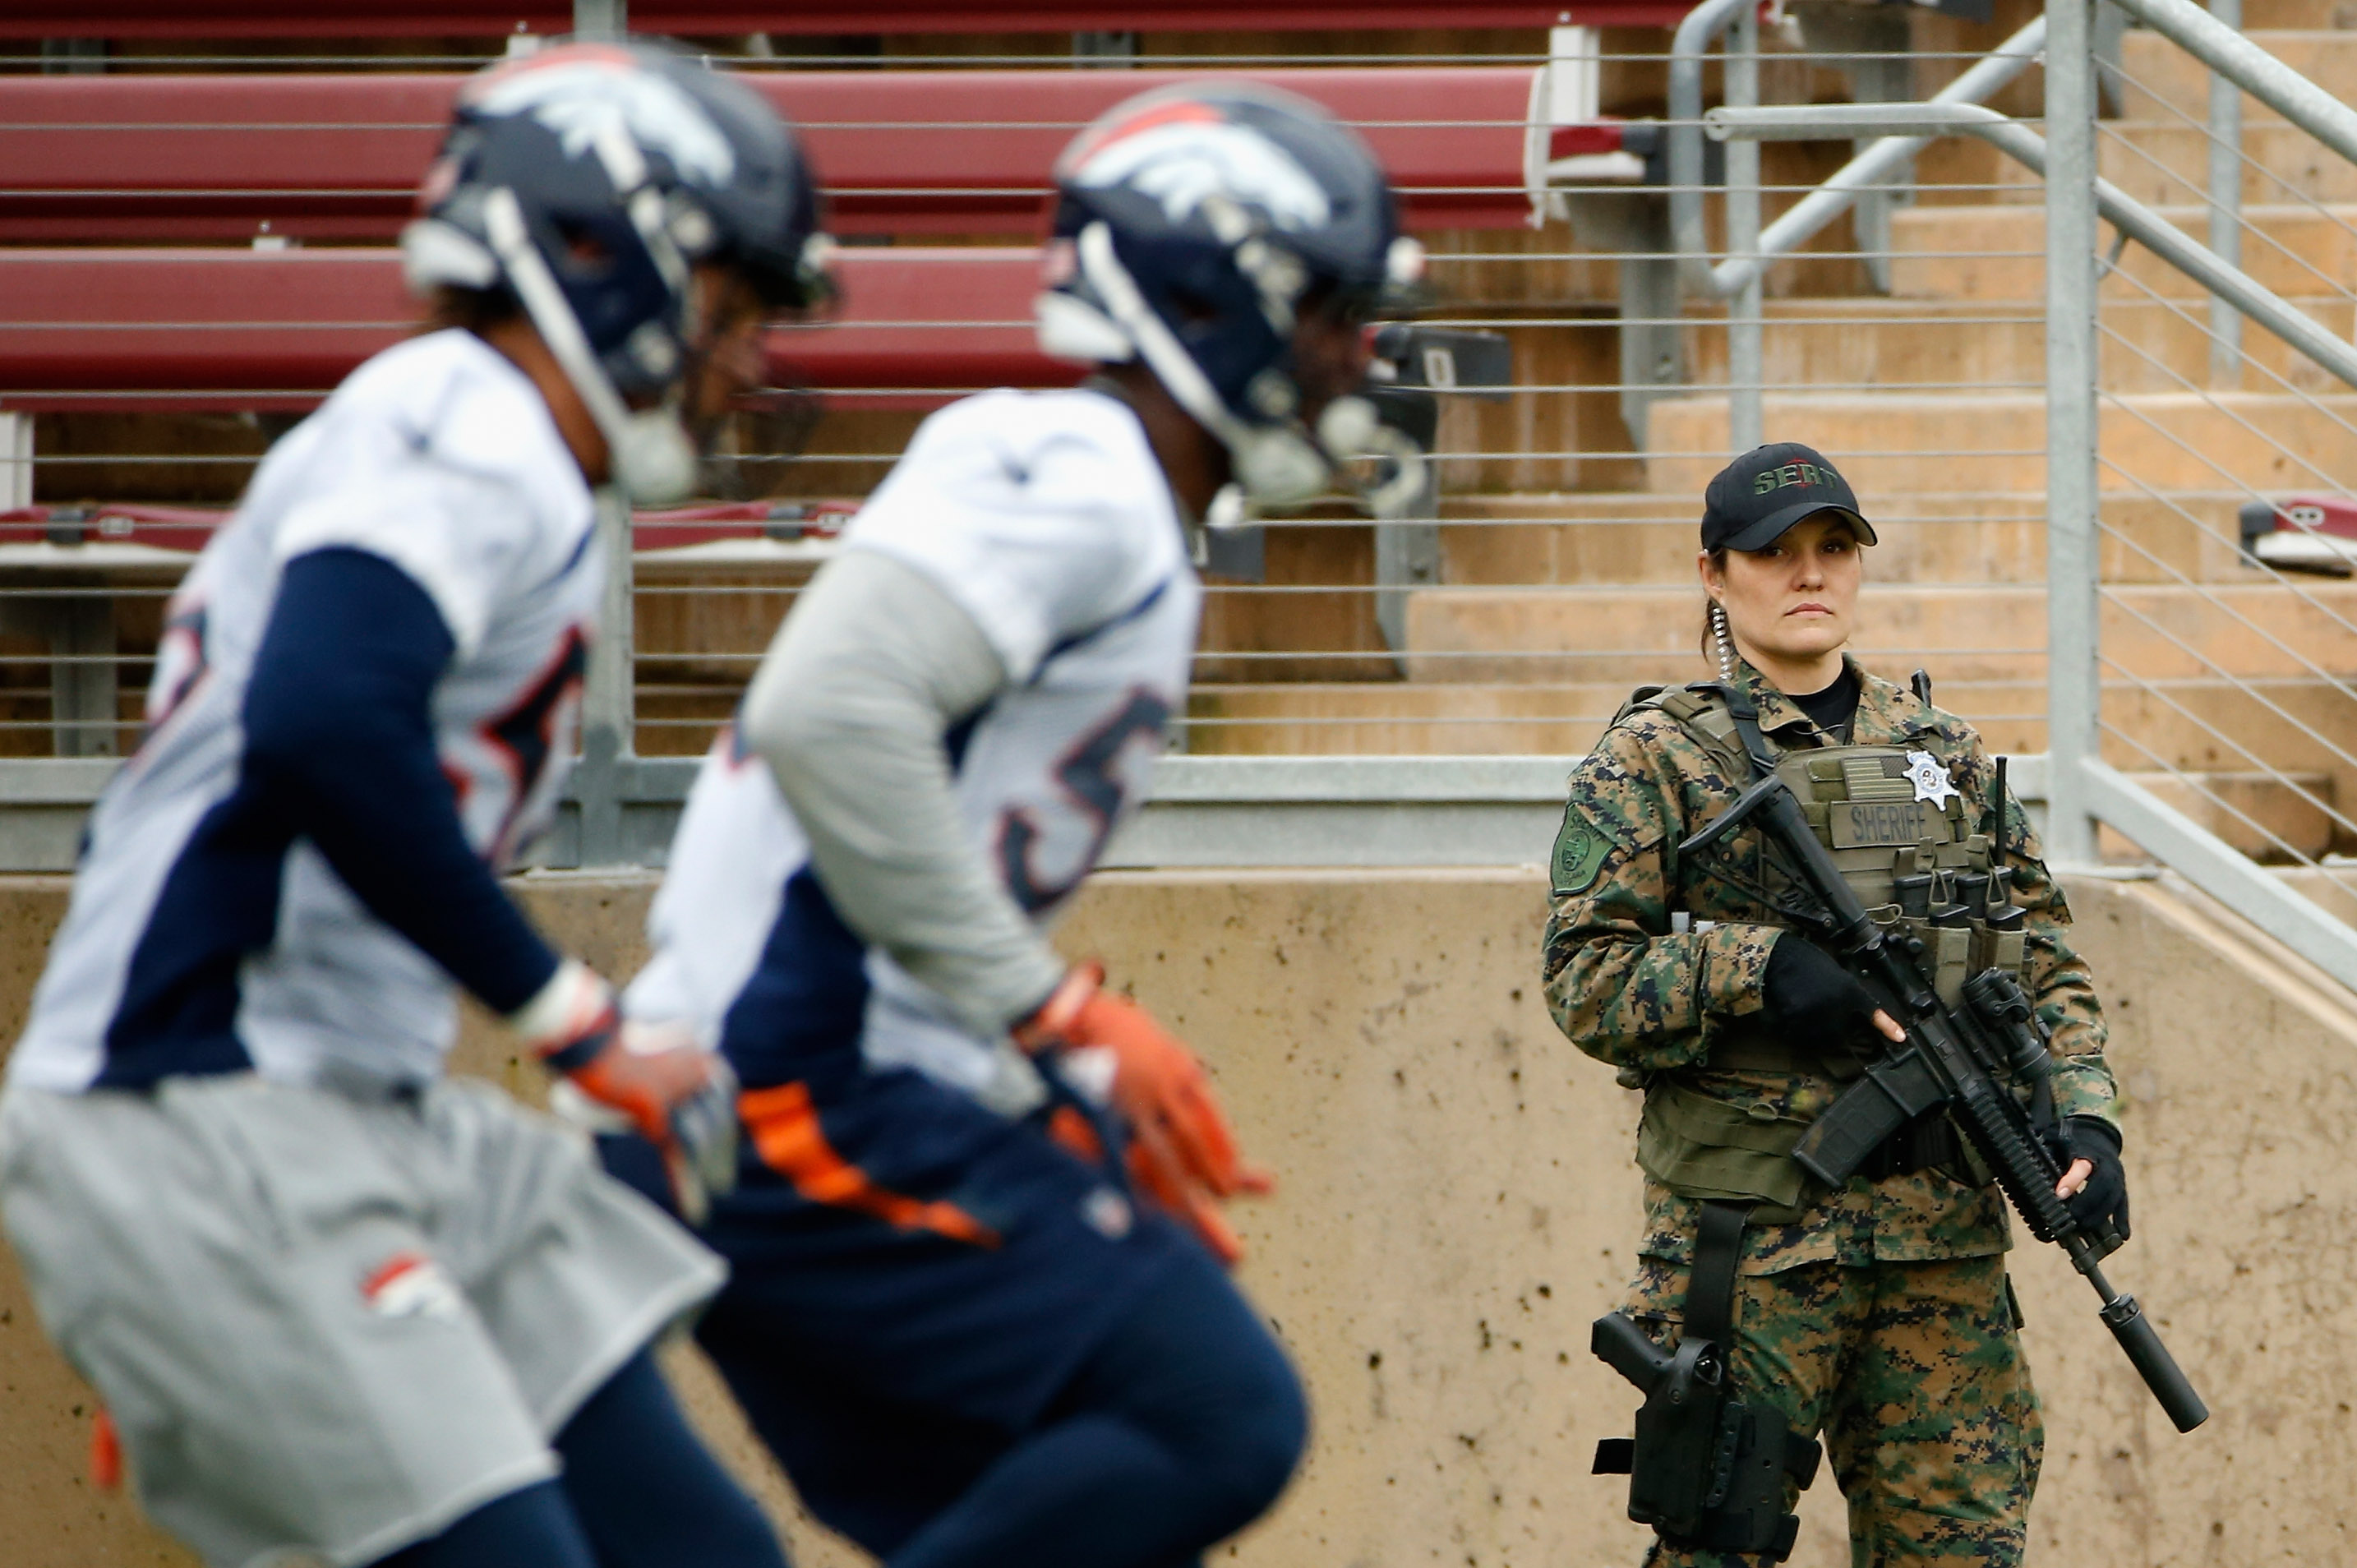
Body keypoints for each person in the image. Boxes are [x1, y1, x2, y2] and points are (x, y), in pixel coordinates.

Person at [0, 44, 835, 1568]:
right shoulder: (468, 418)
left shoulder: (501, 452)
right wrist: (571, 1013)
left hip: (344, 1117)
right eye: (732, 303)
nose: (749, 355)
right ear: (597, 255)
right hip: (200, 1114)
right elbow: (319, 723)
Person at [607, 81, 1425, 1568]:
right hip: (789, 1087)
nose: (1350, 355)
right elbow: (829, 715)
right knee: (1219, 1418)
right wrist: (1055, 1014)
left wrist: (1026, 1075)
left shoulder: (1109, 494)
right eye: (1326, 312)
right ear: (1215, 296)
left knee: (1044, 1499)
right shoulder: (1084, 475)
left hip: (813, 1081)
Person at [1543, 443, 2133, 1566]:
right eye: (1775, 554)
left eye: (1832, 549)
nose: (1808, 574)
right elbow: (1583, 978)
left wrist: (2088, 1121)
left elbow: (2040, 961)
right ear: (1715, 576)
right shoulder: (1654, 758)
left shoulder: (1939, 751)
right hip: (1752, 1255)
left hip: (1941, 1256)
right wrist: (1750, 971)